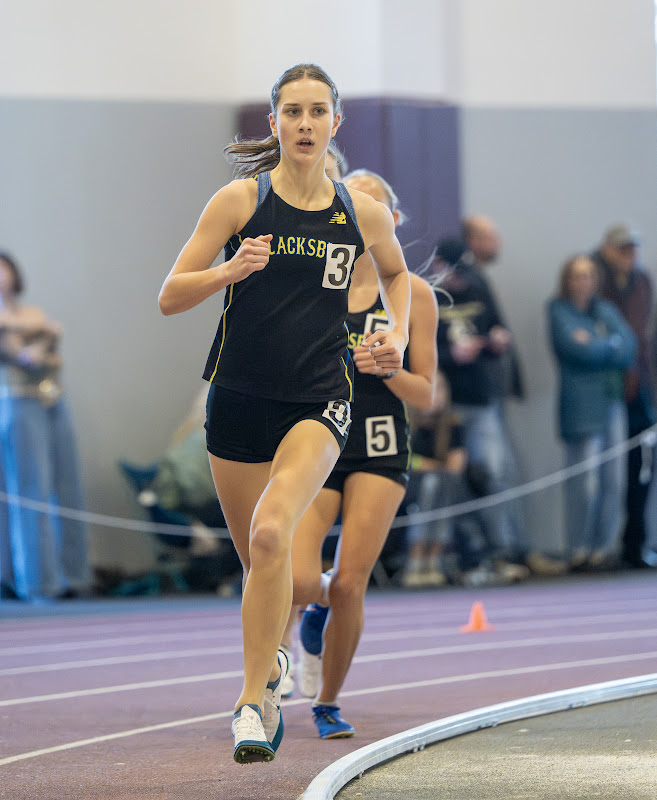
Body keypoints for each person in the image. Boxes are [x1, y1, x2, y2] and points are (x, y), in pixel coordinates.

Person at [158, 64, 410, 764]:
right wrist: (229, 270)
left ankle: (252, 702)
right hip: (237, 400)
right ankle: (272, 658)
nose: (304, 123)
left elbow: (396, 273)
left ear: (335, 123)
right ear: (273, 123)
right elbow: (170, 296)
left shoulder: (359, 212)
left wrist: (398, 334)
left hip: (319, 399)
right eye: (292, 112)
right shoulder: (241, 200)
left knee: (273, 531)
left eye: (317, 111)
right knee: (260, 563)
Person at [291, 169, 437, 738]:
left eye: (372, 209)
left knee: (352, 582)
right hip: (321, 435)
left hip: (379, 442)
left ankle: (327, 702)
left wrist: (390, 369)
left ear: (391, 221)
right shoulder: (317, 282)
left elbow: (427, 394)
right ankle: (315, 611)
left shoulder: (414, 294)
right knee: (298, 577)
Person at [435, 216, 564, 578]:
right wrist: (450, 355)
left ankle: (509, 550)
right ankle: (467, 556)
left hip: (482, 397)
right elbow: (414, 350)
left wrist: (497, 340)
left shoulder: (478, 285)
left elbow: (499, 326)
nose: (461, 281)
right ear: (439, 266)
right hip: (446, 405)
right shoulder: (425, 295)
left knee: (496, 475)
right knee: (452, 482)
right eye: (455, 274)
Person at [0, 251, 90, 601]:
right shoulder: (23, 319)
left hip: (53, 400)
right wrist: (42, 333)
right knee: (31, 491)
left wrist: (35, 333)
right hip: (20, 404)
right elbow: (27, 353)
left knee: (68, 487)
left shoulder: (29, 312)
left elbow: (47, 342)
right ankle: (38, 583)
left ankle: (74, 576)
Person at [548, 255, 636, 570]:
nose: (583, 281)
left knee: (614, 481)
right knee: (584, 483)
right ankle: (578, 549)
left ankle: (603, 549)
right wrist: (608, 344)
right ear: (567, 280)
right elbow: (576, 350)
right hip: (580, 407)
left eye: (588, 275)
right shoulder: (558, 310)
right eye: (576, 275)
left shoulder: (606, 310)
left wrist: (599, 343)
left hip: (611, 402)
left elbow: (628, 347)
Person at [592, 224, 657, 569]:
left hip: (641, 385)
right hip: (608, 389)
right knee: (606, 476)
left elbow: (641, 337)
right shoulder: (594, 279)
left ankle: (635, 543)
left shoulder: (642, 280)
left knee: (642, 467)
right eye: (622, 248)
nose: (629, 255)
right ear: (606, 248)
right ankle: (598, 549)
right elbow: (604, 341)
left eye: (633, 248)